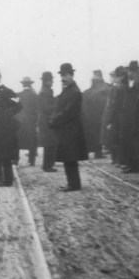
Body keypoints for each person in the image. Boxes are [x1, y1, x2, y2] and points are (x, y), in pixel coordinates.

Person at [48, 63, 87, 191]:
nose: (63, 78)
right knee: (68, 157)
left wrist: (54, 121)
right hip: (66, 129)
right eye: (62, 75)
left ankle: (74, 184)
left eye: (65, 75)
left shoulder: (74, 92)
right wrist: (54, 118)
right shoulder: (68, 89)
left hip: (71, 130)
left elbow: (68, 112)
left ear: (71, 75)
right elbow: (60, 108)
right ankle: (72, 183)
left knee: (70, 157)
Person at [15, 76, 38, 166]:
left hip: (20, 121)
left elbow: (15, 109)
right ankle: (31, 161)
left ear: (22, 85)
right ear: (30, 84)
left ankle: (16, 160)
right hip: (31, 121)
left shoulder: (18, 95)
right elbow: (36, 109)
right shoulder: (34, 95)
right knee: (32, 140)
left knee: (17, 140)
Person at [37, 71, 58, 172]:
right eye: (51, 80)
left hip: (45, 120)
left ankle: (48, 164)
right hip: (47, 120)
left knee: (49, 143)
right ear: (46, 81)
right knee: (49, 143)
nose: (52, 82)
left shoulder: (44, 90)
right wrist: (56, 106)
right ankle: (47, 165)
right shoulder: (46, 91)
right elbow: (46, 107)